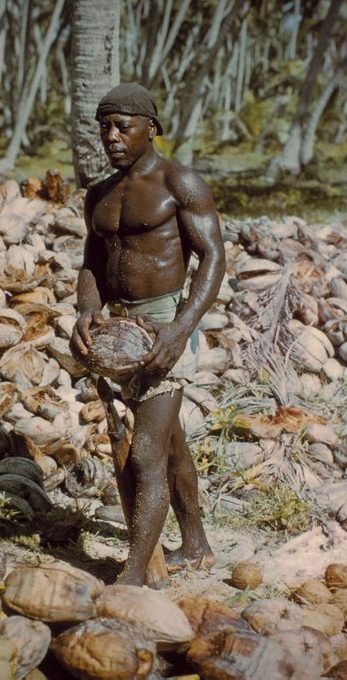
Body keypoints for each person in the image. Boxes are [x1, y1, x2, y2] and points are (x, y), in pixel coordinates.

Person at [70, 83, 226, 586]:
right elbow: (93, 262)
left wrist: (180, 331)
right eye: (104, 128)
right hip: (119, 328)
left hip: (165, 323)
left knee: (145, 453)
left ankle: (133, 576)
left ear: (151, 128)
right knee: (172, 444)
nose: (111, 137)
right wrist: (87, 312)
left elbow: (213, 258)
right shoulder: (100, 193)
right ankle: (196, 545)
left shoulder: (179, 182)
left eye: (122, 127)